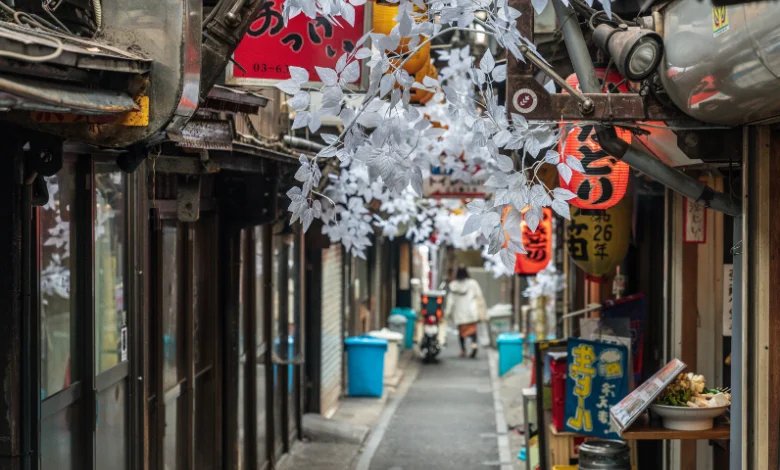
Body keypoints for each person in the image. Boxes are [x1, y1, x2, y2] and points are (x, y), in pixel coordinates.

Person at [444, 266, 487, 358]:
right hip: (471, 312)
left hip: (459, 314)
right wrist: (482, 310)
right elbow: (479, 296)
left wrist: (447, 314)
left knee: (461, 332)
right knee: (473, 331)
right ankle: (474, 345)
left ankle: (463, 350)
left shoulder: (453, 285)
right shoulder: (473, 283)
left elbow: (450, 301)